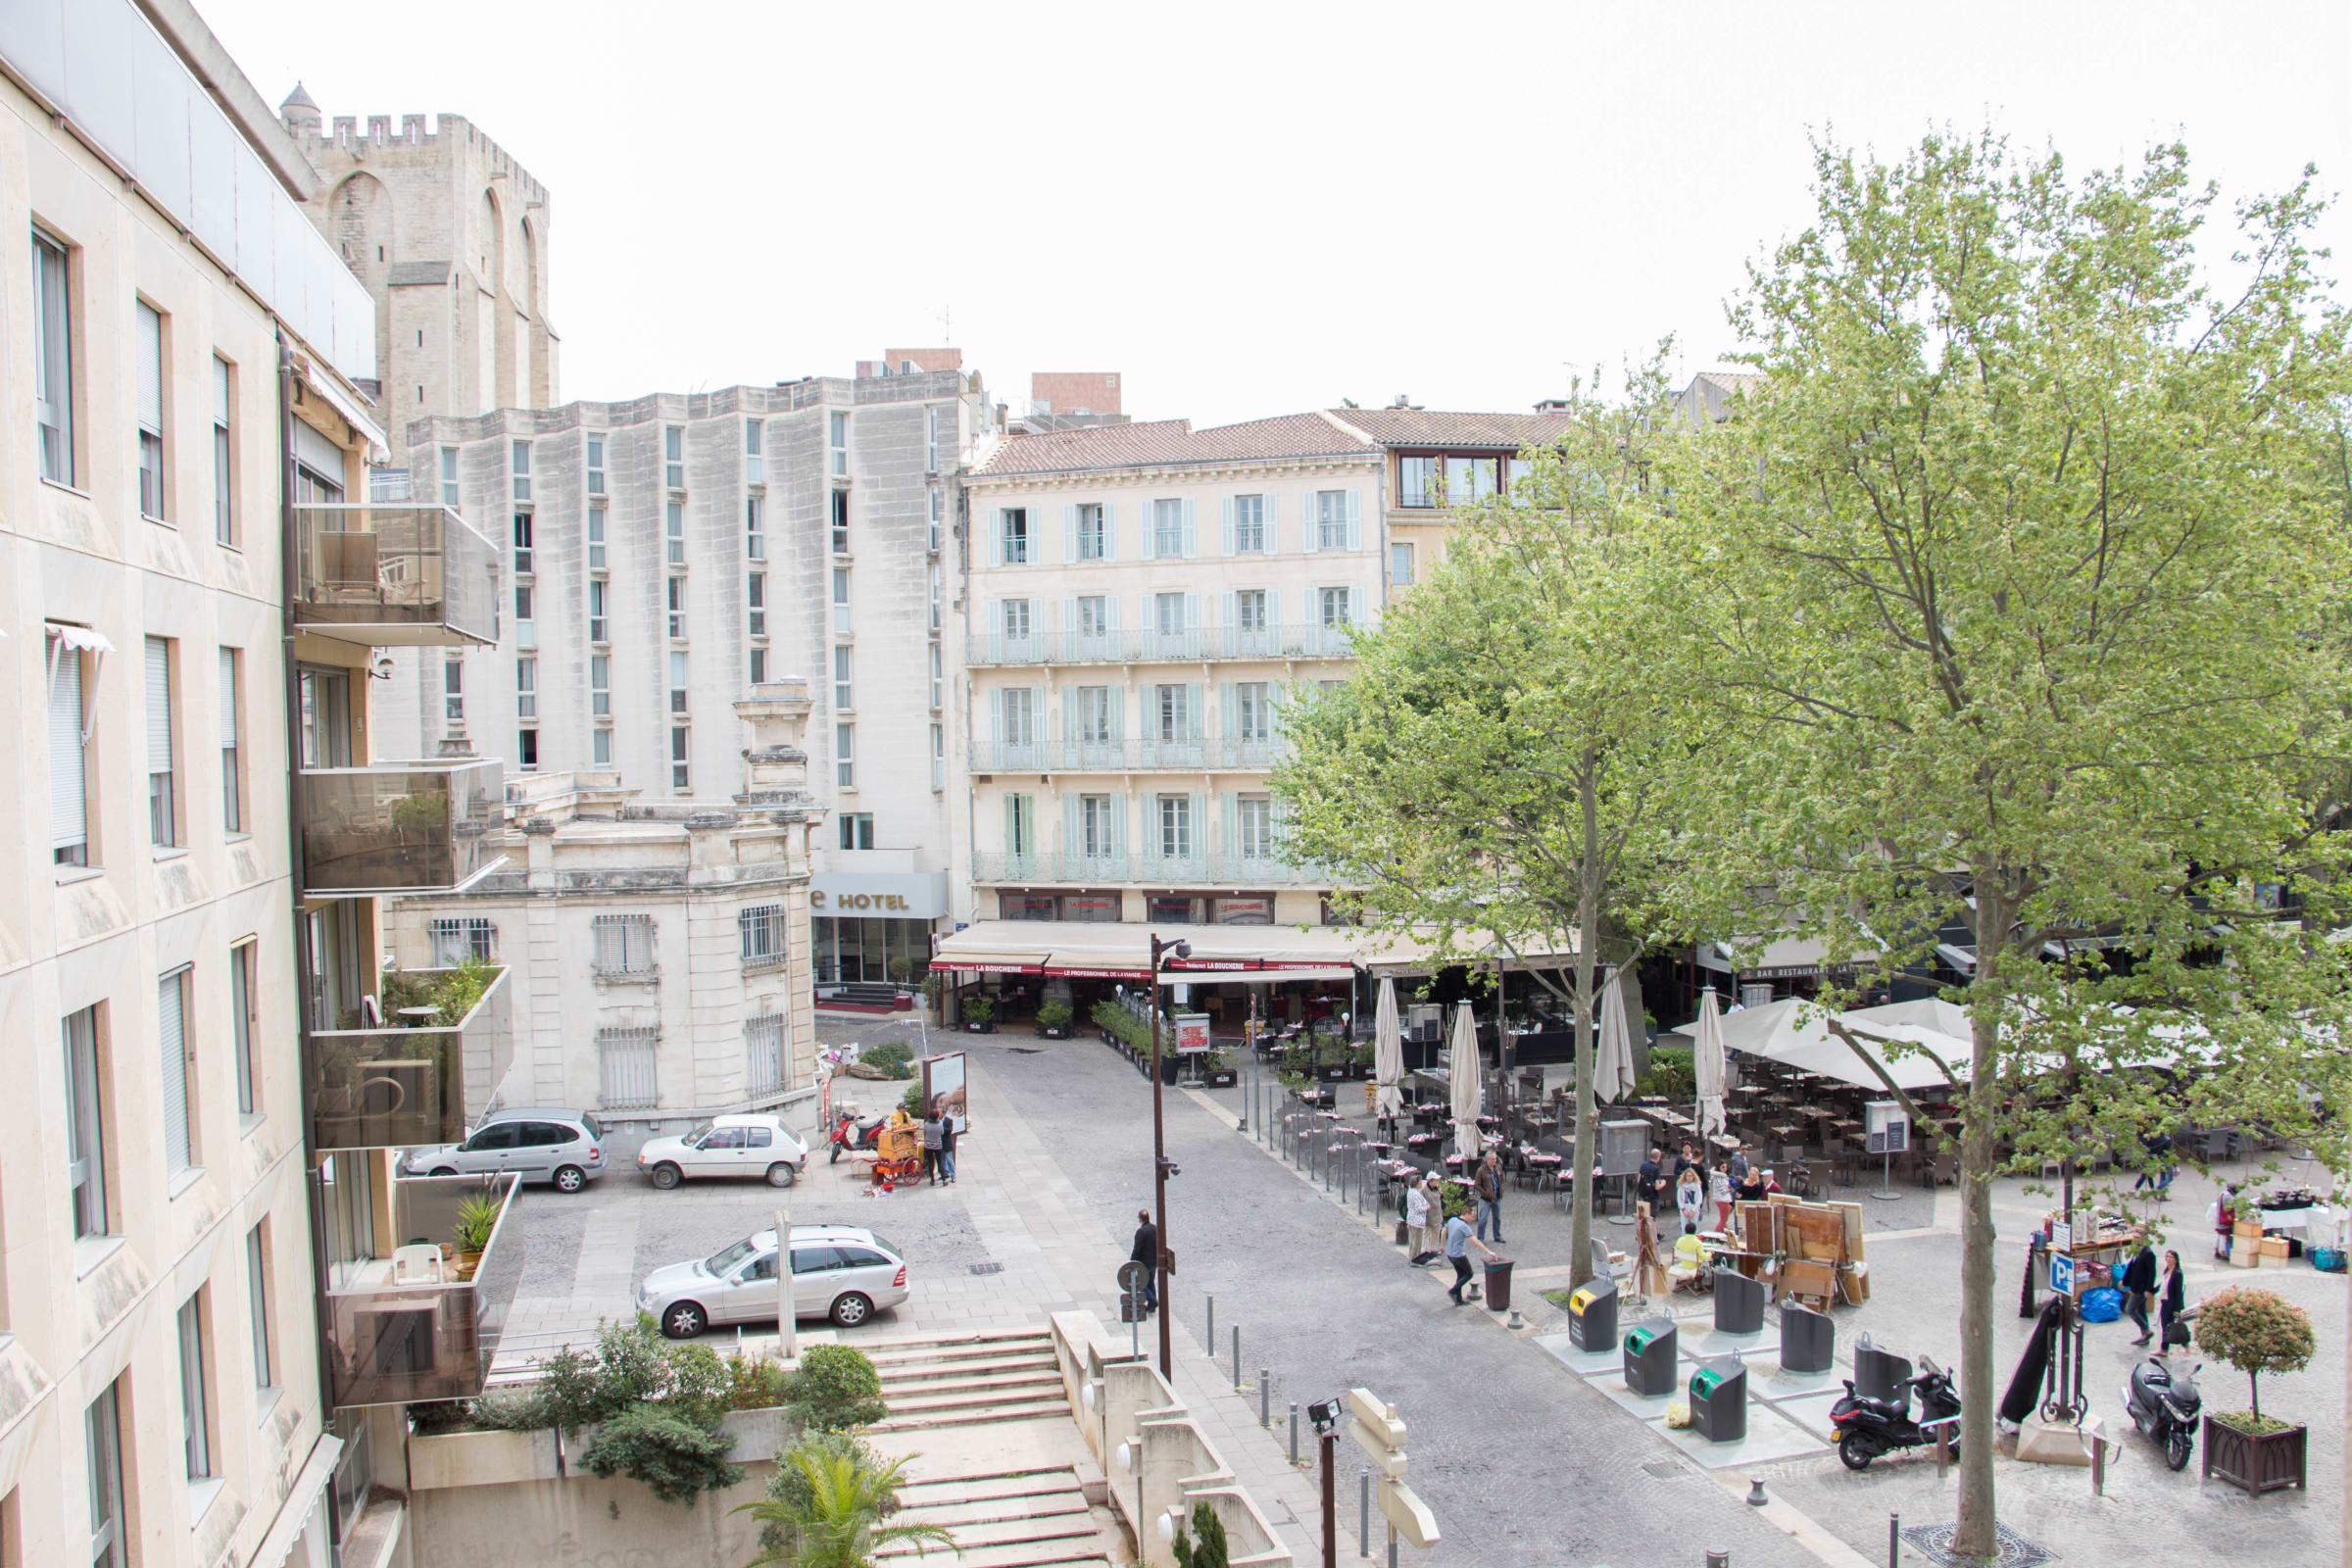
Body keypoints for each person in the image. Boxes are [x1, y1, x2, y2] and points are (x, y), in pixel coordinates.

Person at [1444, 1203, 1498, 1305]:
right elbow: (1475, 1242)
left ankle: (1458, 1299)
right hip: (1458, 1255)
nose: (1473, 1219)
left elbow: (1443, 1231)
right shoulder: (1464, 1226)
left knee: (1460, 1275)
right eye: (1472, 1216)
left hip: (1450, 1254)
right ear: (1466, 1214)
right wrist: (1489, 1252)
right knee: (1469, 1274)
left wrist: (1443, 1246)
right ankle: (1453, 1291)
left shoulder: (1452, 1220)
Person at [2120, 1241, 2158, 1346]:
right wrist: (2124, 1281)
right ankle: (2145, 1337)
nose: (2135, 1239)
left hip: (2142, 1289)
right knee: (2141, 1311)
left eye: (2138, 1237)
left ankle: (2147, 1331)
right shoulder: (2136, 1251)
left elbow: (2152, 1273)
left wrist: (2149, 1289)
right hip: (2136, 1286)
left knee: (2130, 1309)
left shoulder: (2148, 1253)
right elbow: (2131, 1267)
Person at [2156, 1250, 2187, 1351]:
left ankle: (2164, 1349)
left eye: (2170, 1257)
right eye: (2167, 1256)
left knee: (2167, 1326)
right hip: (2164, 1301)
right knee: (2165, 1325)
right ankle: (2182, 1344)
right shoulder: (2167, 1270)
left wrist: (2177, 1309)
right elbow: (2163, 1284)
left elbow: (2178, 1292)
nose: (2168, 1259)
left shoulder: (2177, 1273)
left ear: (2175, 1260)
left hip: (2171, 1303)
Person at [1129, 1210, 1159, 1313]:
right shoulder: (1155, 1228)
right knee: (1150, 1282)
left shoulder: (1141, 1232)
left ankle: (1153, 1300)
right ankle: (1152, 1306)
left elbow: (1137, 1248)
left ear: (1140, 1219)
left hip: (1144, 1263)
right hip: (1154, 1261)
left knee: (1141, 1283)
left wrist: (1132, 1261)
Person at [1475, 1152, 1506, 1245]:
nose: (1494, 1161)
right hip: (1486, 1200)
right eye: (1492, 1159)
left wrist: (1502, 1191)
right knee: (1483, 1219)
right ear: (1487, 1160)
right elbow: (1477, 1185)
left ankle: (1497, 1236)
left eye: (1495, 1159)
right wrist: (1485, 1193)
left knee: (1497, 1218)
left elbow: (1502, 1181)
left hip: (1497, 1198)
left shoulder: (1498, 1168)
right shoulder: (1481, 1170)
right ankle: (1480, 1238)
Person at [1403, 1176, 1434, 1267]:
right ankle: (1414, 1260)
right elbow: (1418, 1208)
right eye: (1420, 1182)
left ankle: (1411, 1258)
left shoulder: (1410, 1191)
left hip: (1412, 1219)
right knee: (1417, 1241)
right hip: (1417, 1221)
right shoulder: (1415, 1194)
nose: (1421, 1183)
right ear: (1417, 1183)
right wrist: (1427, 1208)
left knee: (1413, 1240)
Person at [919, 1106, 945, 1185]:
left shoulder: (926, 1124)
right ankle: (943, 1179)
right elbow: (942, 1133)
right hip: (938, 1146)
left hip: (928, 1146)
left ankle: (932, 1180)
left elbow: (923, 1131)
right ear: (937, 1116)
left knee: (930, 1162)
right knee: (939, 1161)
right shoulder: (940, 1125)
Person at [1639, 1146, 1666, 1216]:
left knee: (1642, 1217)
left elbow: (1638, 1180)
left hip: (1642, 1195)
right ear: (1658, 1157)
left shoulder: (1643, 1165)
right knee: (1651, 1218)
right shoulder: (1656, 1169)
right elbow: (1657, 1187)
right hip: (1652, 1196)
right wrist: (1663, 1183)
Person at [1676, 1166, 1704, 1233]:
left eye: (1691, 1176)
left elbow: (1699, 1199)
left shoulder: (1697, 1186)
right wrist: (1683, 1209)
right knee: (1684, 1228)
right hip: (1684, 1209)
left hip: (1694, 1209)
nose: (1689, 1177)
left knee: (1694, 1228)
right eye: (1687, 1176)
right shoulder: (1681, 1186)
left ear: (1693, 1176)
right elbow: (1679, 1199)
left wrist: (1693, 1211)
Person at [937, 1105, 957, 1185]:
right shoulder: (935, 1120)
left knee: (949, 1160)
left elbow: (949, 1130)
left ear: (943, 1113)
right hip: (939, 1143)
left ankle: (953, 1175)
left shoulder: (948, 1120)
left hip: (946, 1143)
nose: (937, 1114)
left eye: (939, 1112)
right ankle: (945, 1174)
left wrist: (940, 1127)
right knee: (942, 1160)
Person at [1709, 1163, 1734, 1231]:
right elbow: (1722, 1191)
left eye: (1726, 1167)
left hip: (1722, 1200)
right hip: (1722, 1200)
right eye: (1723, 1167)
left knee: (1723, 1220)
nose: (1725, 1168)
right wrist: (1729, 1189)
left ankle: (1722, 1233)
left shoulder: (1720, 1176)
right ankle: (1716, 1233)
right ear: (1719, 1167)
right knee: (1723, 1221)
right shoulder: (1719, 1177)